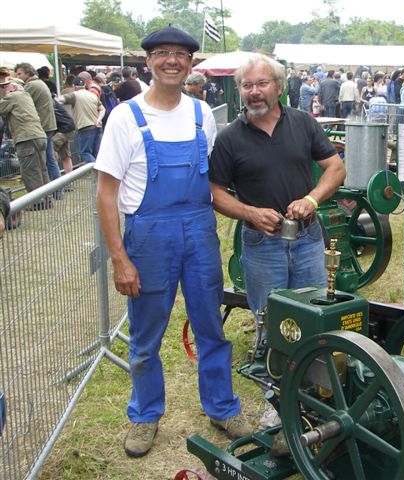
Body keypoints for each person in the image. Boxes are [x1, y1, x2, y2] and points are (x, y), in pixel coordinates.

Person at [95, 25, 251, 459]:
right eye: (162, 53)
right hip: (148, 235)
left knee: (210, 327)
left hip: (199, 232)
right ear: (148, 62)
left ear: (190, 63)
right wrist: (119, 258)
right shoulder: (125, 116)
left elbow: (215, 181)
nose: (171, 60)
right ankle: (145, 415)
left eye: (180, 54)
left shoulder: (202, 114)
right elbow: (106, 192)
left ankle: (222, 407)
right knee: (146, 334)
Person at [208, 53, 345, 443]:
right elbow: (215, 193)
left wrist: (313, 200)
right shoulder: (230, 137)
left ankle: (315, 400)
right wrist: (249, 212)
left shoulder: (303, 123)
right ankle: (276, 402)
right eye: (247, 86)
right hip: (261, 245)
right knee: (271, 325)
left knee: (316, 320)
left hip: (307, 239)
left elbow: (335, 168)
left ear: (279, 87)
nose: (254, 92)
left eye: (261, 84)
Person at [0, 79, 50, 196]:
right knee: (42, 170)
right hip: (39, 136)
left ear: (13, 87)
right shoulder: (26, 96)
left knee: (30, 171)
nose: (3, 90)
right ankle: (47, 199)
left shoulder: (13, 96)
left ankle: (37, 202)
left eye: (5, 87)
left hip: (26, 138)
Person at [15, 63, 59, 194]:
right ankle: (56, 190)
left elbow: (21, 102)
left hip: (42, 126)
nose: (18, 77)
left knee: (46, 162)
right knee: (49, 160)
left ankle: (53, 190)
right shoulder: (39, 83)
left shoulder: (31, 86)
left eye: (19, 74)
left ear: (28, 73)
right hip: (47, 125)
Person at [59, 77, 104, 163]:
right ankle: (100, 173)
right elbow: (102, 109)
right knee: (96, 153)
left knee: (85, 153)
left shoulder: (74, 95)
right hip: (97, 126)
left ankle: (97, 170)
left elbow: (59, 100)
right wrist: (99, 119)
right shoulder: (92, 95)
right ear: (84, 85)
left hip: (85, 127)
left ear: (74, 86)